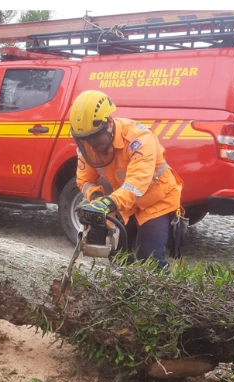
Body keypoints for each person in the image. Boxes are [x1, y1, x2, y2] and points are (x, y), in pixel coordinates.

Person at [69, 90, 185, 270]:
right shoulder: (87, 147)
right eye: (85, 140)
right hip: (125, 205)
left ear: (108, 123)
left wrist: (108, 203)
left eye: (94, 138)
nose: (91, 145)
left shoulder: (139, 140)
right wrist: (96, 198)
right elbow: (84, 180)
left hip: (156, 201)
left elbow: (136, 185)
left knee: (149, 259)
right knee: (119, 258)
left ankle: (159, 294)